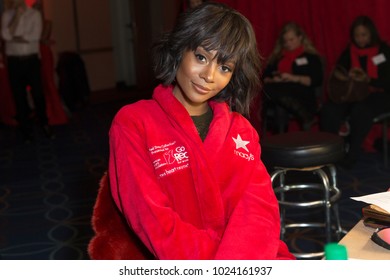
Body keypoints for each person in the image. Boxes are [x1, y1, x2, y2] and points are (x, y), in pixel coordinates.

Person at [98, 2, 294, 260]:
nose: (209, 76)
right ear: (179, 50)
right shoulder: (134, 122)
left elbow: (259, 212)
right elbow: (152, 220)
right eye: (201, 57)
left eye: (225, 67)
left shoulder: (241, 130)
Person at [320, 16, 390, 168]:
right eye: (357, 35)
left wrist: (367, 79)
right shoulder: (350, 51)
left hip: (377, 94)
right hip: (352, 94)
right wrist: (349, 75)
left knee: (361, 111)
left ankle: (352, 153)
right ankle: (333, 152)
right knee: (329, 110)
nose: (360, 39)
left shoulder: (383, 51)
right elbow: (339, 71)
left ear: (371, 34)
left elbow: (387, 81)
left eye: (363, 34)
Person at [1, 0, 54, 143]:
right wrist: (16, 18)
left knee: (38, 94)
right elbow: (5, 36)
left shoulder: (34, 14)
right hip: (14, 62)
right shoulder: (7, 15)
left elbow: (34, 37)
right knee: (19, 97)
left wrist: (14, 38)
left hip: (31, 61)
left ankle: (44, 123)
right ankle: (25, 130)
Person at [262, 22, 323, 133]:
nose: (288, 43)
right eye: (285, 41)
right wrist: (274, 79)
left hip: (302, 94)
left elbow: (316, 79)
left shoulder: (310, 57)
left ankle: (280, 141)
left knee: (273, 94)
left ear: (300, 37)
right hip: (280, 91)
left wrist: (292, 78)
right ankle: (304, 117)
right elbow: (265, 77)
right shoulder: (278, 57)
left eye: (291, 39)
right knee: (277, 103)